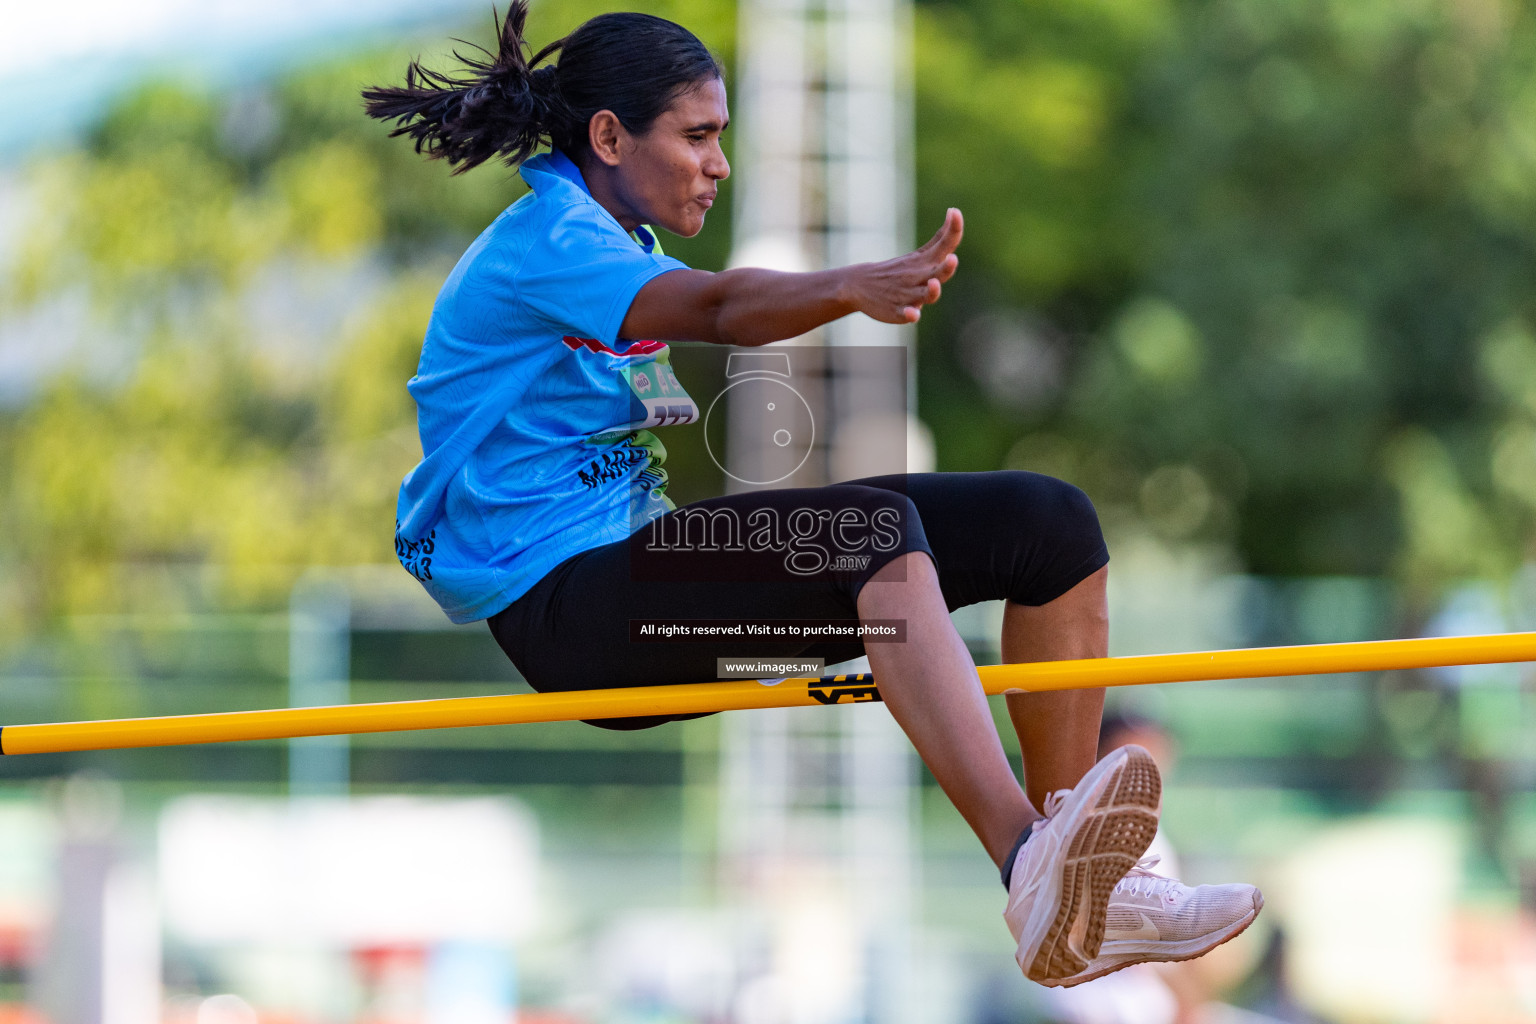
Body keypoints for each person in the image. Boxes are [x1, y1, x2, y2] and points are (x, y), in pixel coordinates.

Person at [362, 3, 1260, 987]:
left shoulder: (617, 244)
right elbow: (722, 309)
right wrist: (854, 284)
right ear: (609, 137)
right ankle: (1025, 864)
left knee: (1050, 527)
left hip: (636, 588)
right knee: (867, 534)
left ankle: (1084, 881)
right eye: (697, 136)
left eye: (724, 137)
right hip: (572, 620)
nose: (721, 164)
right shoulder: (547, 242)